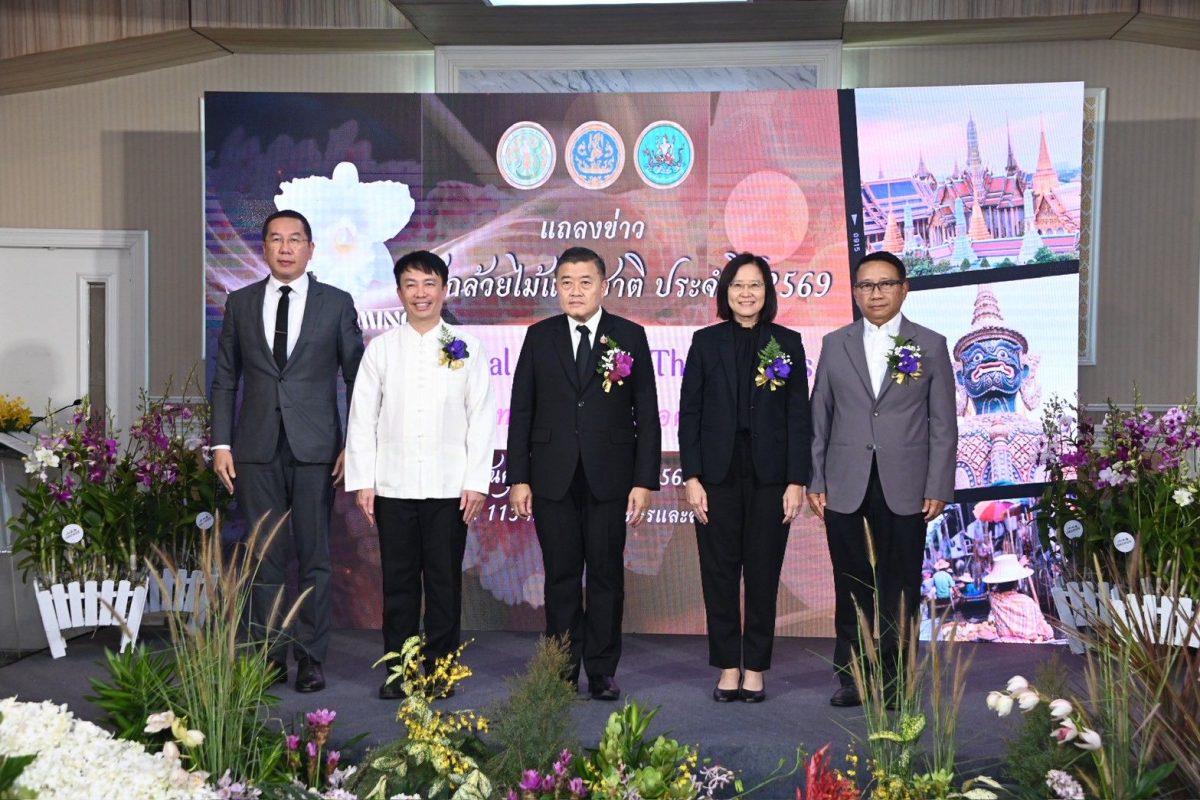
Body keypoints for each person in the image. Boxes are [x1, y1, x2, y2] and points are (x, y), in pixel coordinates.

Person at [211, 209, 365, 693]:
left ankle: (311, 658)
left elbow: (357, 378)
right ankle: (271, 654)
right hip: (254, 448)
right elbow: (225, 378)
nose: (285, 248)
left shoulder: (336, 303)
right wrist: (221, 443)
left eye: (295, 239)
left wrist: (355, 445)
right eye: (276, 239)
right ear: (264, 248)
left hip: (316, 449)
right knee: (264, 556)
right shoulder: (240, 303)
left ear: (310, 249)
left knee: (315, 556)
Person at [506, 246, 661, 701]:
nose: (575, 291)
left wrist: (643, 480)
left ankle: (602, 670)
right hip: (551, 476)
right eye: (566, 283)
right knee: (561, 576)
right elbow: (521, 410)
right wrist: (519, 477)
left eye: (585, 282)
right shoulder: (539, 336)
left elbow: (647, 413)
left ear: (603, 286)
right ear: (557, 287)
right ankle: (561, 669)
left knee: (607, 575)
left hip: (610, 476)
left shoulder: (628, 335)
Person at [344, 250, 495, 700]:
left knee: (445, 583)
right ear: (399, 292)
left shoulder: (467, 347)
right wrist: (364, 481)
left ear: (444, 290)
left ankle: (441, 671)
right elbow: (362, 418)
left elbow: (482, 417)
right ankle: (400, 672)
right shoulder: (381, 349)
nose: (420, 293)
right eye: (411, 284)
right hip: (394, 486)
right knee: (399, 584)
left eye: (429, 284)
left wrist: (476, 482)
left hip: (450, 488)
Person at [808, 250, 956, 707]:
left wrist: (938, 485)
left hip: (907, 484)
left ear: (904, 289)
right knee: (850, 583)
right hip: (845, 482)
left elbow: (943, 423)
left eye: (885, 283)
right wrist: (816, 479)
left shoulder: (930, 344)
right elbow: (820, 416)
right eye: (866, 285)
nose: (876, 293)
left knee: (901, 585)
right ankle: (854, 677)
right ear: (855, 292)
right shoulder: (835, 343)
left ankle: (896, 680)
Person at [678, 253, 810, 703]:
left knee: (762, 573)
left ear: (767, 292)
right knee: (718, 574)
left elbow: (799, 416)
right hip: (716, 477)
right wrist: (692, 477)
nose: (746, 293)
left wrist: (796, 481)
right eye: (738, 285)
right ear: (726, 292)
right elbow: (690, 414)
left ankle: (754, 668)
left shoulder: (787, 342)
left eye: (755, 285)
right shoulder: (705, 342)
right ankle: (727, 667)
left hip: (770, 478)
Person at [984, 553, 1055, 642]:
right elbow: (1044, 628)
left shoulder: (994, 599)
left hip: (1004, 645)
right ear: (1016, 583)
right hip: (1028, 645)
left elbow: (991, 589)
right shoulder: (1027, 601)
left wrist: (1019, 565)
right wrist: (1049, 635)